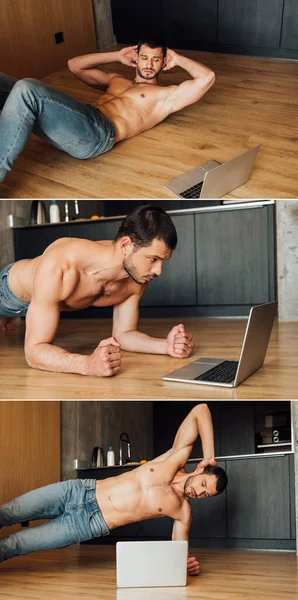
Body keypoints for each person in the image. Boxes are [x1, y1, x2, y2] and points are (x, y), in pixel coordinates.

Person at [0, 403, 228, 574]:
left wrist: (184, 564)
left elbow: (178, 551)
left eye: (206, 495)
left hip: (87, 524)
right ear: (200, 471)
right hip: (77, 491)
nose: (200, 493)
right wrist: (209, 456)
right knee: (9, 512)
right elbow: (201, 409)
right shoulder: (174, 457)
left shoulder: (182, 511)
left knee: (17, 544)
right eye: (204, 485)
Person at [0, 205, 194, 376]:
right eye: (153, 259)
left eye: (162, 261)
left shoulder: (137, 276)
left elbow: (124, 333)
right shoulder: (62, 264)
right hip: (8, 294)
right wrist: (87, 364)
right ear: (126, 245)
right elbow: (33, 352)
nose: (158, 271)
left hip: (39, 304)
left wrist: (165, 346)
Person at [0, 35, 215, 182]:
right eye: (145, 57)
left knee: (27, 89)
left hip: (98, 134)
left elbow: (207, 78)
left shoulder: (165, 96)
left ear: (163, 62)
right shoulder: (116, 79)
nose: (149, 65)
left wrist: (177, 59)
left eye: (156, 59)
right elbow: (74, 65)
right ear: (136, 57)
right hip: (77, 123)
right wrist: (116, 55)